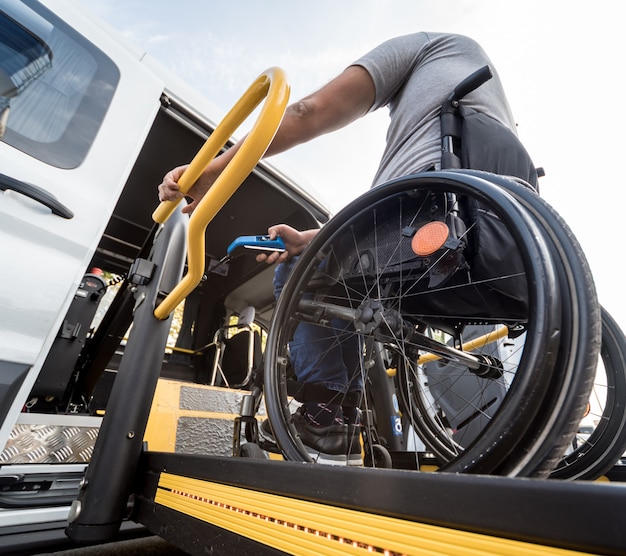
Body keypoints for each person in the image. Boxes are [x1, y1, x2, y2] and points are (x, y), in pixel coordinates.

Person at [158, 32, 535, 465]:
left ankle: (324, 416)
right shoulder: (487, 103)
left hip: (423, 212)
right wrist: (309, 237)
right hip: (490, 234)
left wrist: (214, 169)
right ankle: (343, 414)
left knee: (296, 274)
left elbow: (308, 111)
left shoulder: (426, 47)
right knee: (337, 270)